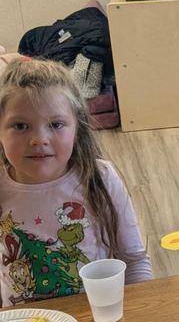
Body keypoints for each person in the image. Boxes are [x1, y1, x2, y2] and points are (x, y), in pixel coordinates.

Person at [0, 59, 151, 306]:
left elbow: (134, 261)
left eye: (55, 125)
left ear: (77, 128)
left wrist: (141, 311)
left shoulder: (100, 177)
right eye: (20, 126)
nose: (39, 139)